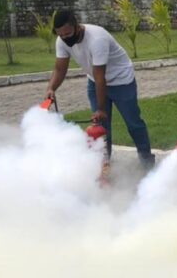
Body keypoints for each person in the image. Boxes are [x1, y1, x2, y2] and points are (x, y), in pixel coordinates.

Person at [45, 9, 155, 169]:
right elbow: (60, 69)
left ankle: (147, 162)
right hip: (95, 80)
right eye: (60, 35)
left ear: (76, 26)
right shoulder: (61, 41)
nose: (65, 38)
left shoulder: (97, 39)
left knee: (133, 123)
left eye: (67, 34)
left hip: (121, 80)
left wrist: (101, 109)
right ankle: (103, 166)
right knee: (101, 127)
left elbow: (100, 76)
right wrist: (51, 88)